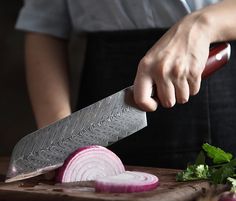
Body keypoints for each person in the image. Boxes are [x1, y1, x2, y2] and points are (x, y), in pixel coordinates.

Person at [16, 0, 236, 169]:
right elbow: (44, 25)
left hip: (215, 82)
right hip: (102, 97)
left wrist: (202, 24)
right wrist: (59, 143)